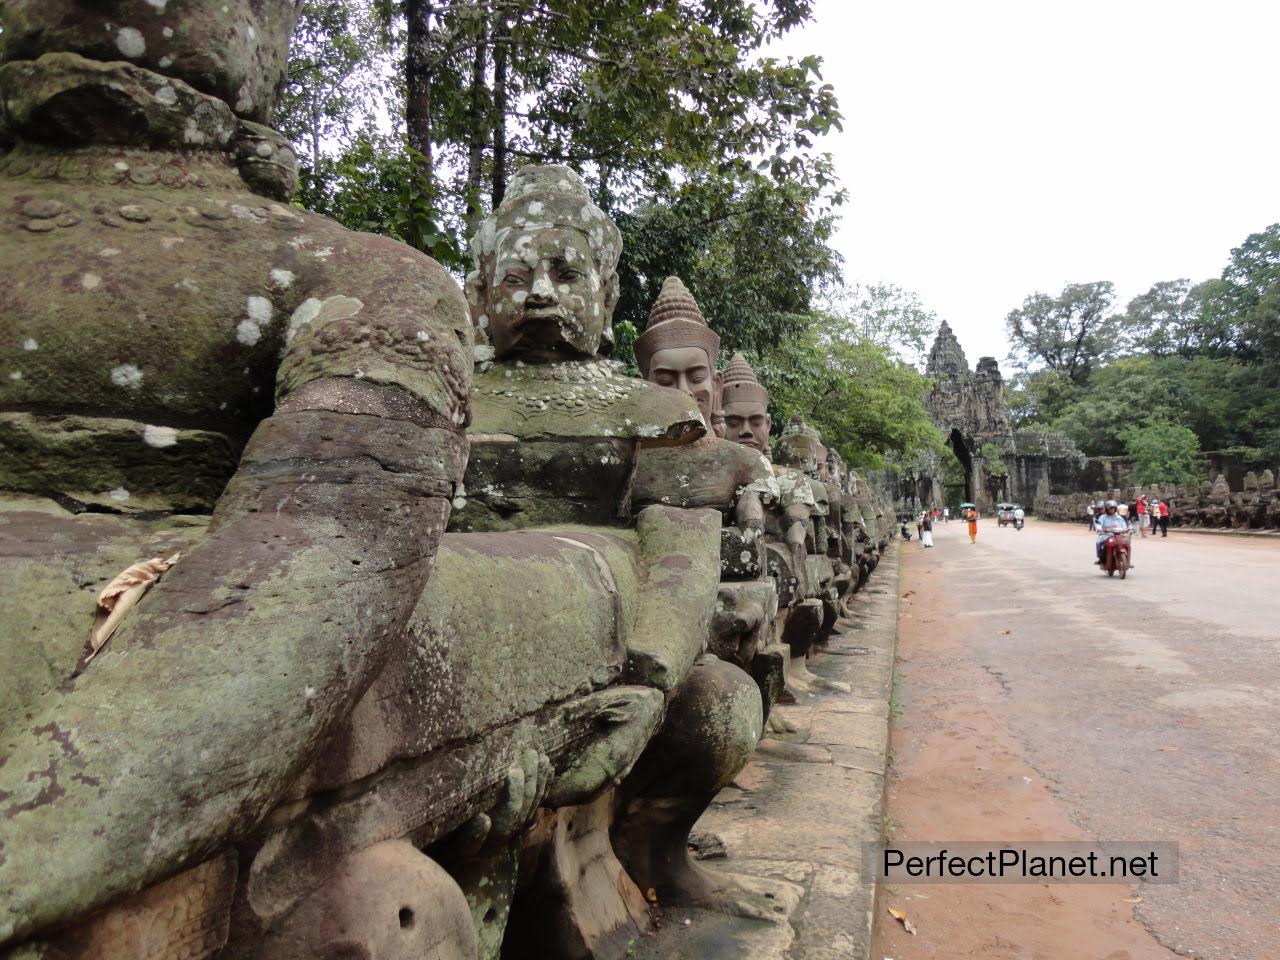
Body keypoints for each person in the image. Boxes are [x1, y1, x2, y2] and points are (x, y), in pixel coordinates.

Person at [1094, 499, 1130, 565]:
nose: (1112, 509)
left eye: (1113, 508)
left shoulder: (1120, 518)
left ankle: (1128, 561)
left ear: (1115, 509)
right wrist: (1100, 529)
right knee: (1098, 542)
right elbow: (1099, 524)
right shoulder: (1103, 517)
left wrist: (1127, 529)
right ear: (1107, 509)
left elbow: (1124, 526)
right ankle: (1100, 559)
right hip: (1106, 535)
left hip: (1119, 535)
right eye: (1110, 508)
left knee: (1127, 544)